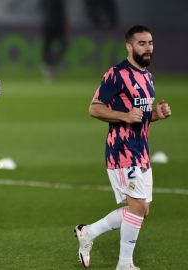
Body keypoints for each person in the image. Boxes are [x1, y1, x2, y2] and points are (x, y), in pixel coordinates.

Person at [75, 25, 171, 270]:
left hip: (142, 150)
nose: (148, 47)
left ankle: (88, 232)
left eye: (150, 43)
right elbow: (94, 108)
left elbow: (141, 115)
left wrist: (156, 115)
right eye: (142, 43)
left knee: (141, 210)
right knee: (137, 207)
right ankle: (124, 264)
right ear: (129, 47)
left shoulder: (147, 76)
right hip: (122, 151)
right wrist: (124, 116)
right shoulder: (116, 74)